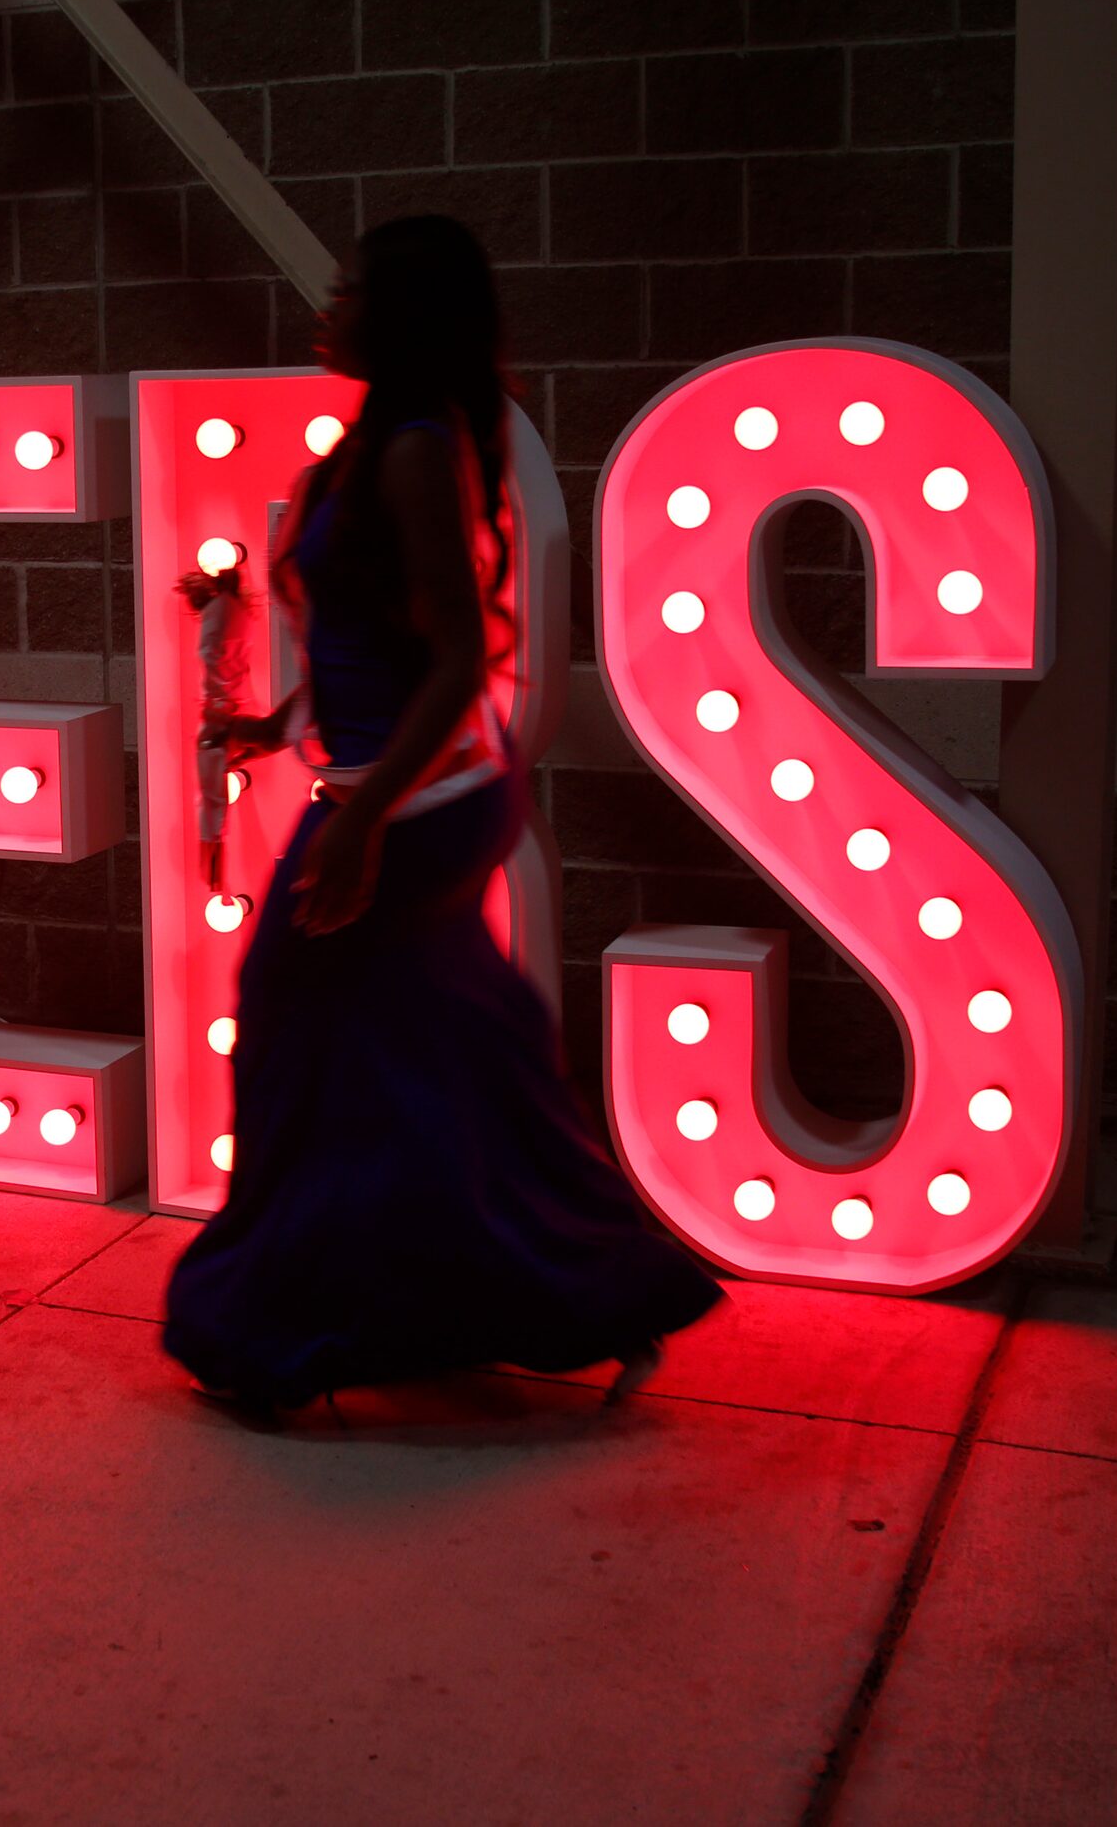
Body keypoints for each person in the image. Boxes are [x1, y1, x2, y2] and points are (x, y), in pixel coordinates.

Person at [160, 215, 724, 1417]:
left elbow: (458, 661)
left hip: (410, 807)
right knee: (445, 1057)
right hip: (399, 792)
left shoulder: (415, 452)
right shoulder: (373, 447)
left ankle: (294, 1324)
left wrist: (361, 825)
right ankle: (581, 1290)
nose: (327, 300)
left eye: (351, 286)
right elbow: (371, 639)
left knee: (299, 1035)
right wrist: (277, 727)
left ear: (401, 316)